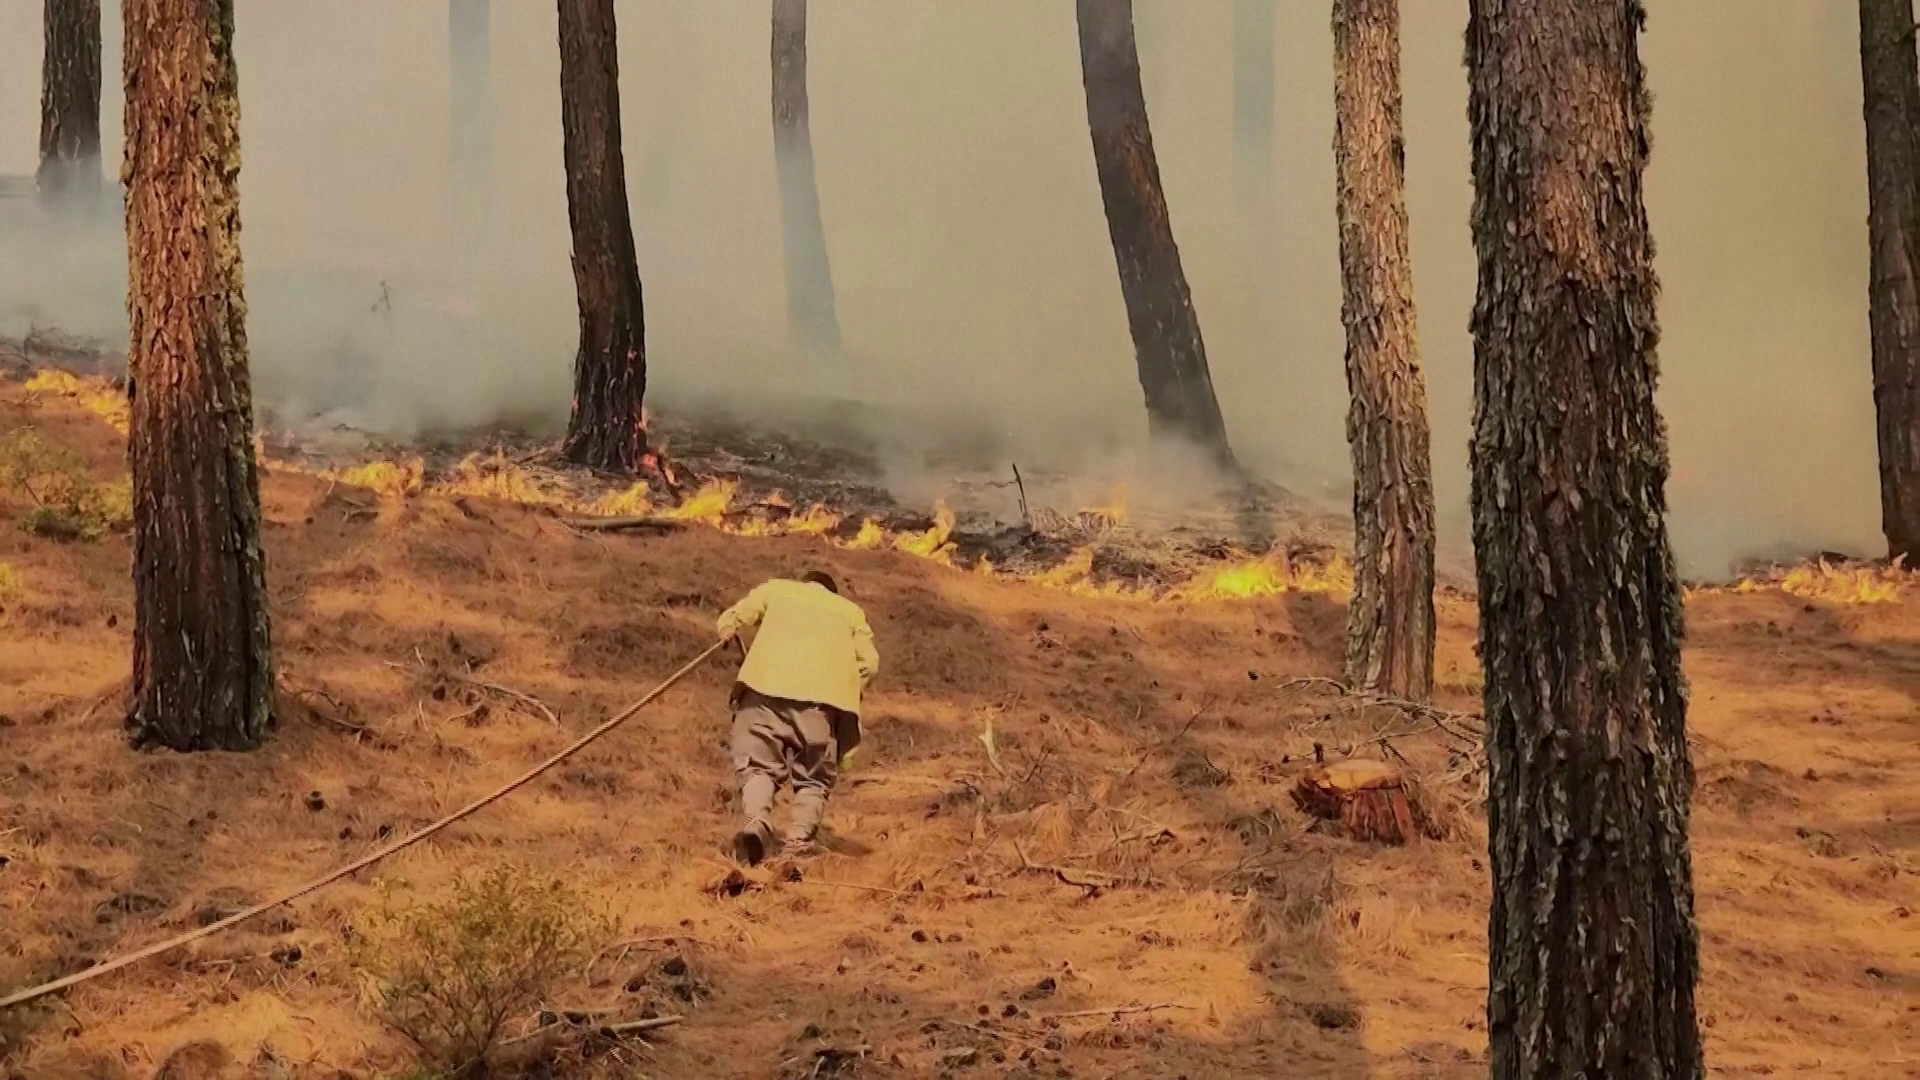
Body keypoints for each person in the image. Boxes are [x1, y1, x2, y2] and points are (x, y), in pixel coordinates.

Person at [716, 569, 879, 865]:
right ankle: (797, 844)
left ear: (805, 583)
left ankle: (757, 824)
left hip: (762, 692)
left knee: (757, 768)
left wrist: (729, 633)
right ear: (832, 593)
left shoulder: (776, 589)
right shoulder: (850, 612)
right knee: (813, 780)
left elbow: (733, 618)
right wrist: (848, 691)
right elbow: (870, 664)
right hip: (819, 705)